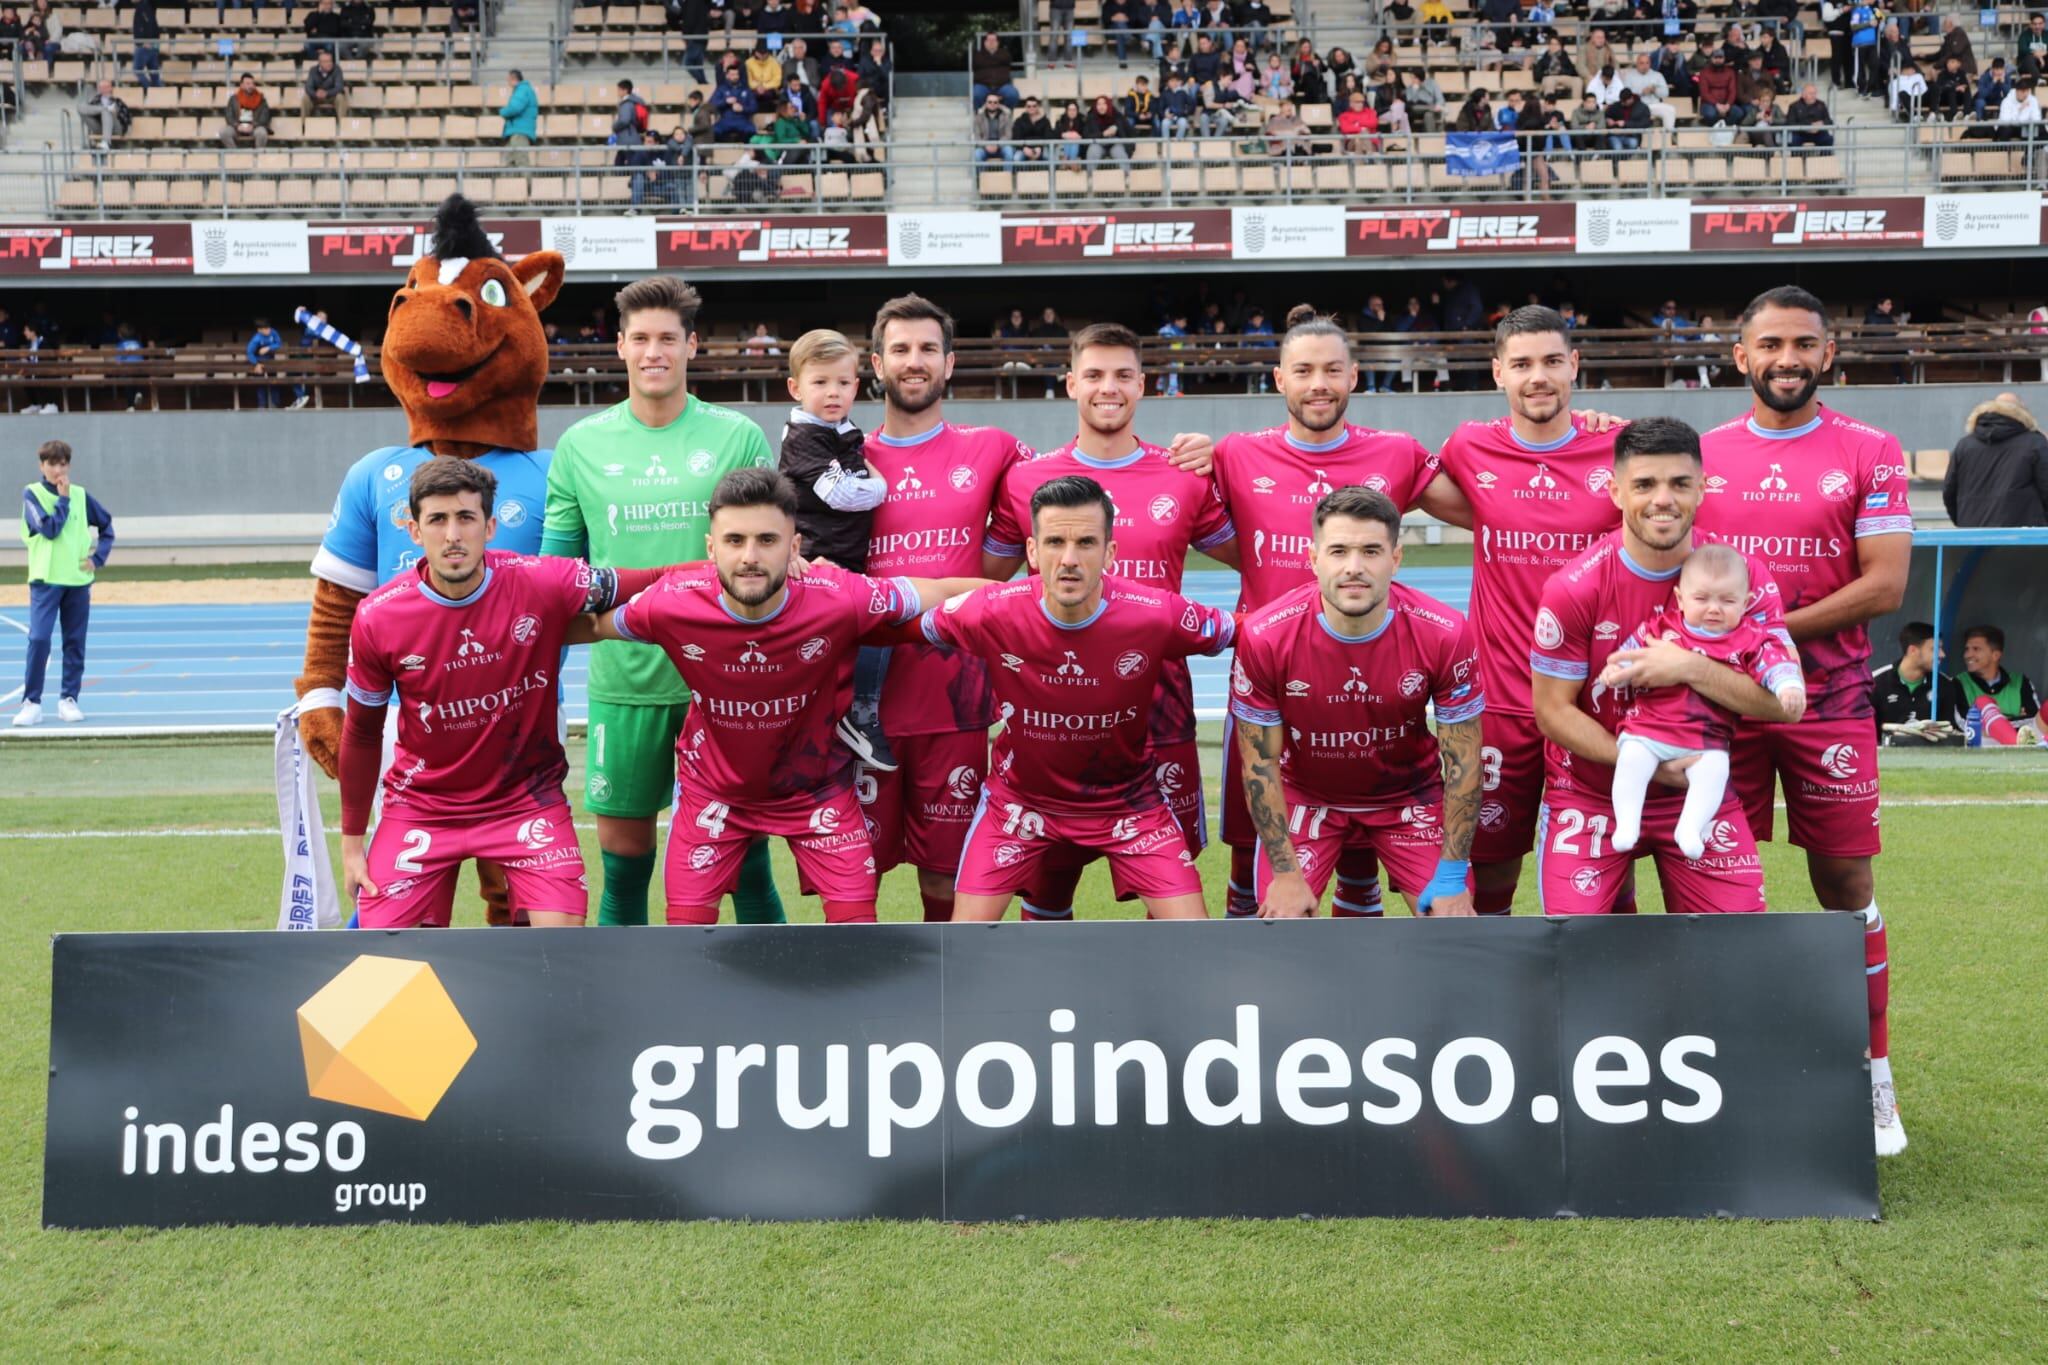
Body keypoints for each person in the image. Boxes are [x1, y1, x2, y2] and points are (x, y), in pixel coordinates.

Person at [1696, 285, 1913, 1157]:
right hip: (1725, 709)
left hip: (1830, 705)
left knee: (1845, 889)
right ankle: (1727, 1074)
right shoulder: (1702, 453)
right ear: (1740, 355)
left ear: (1830, 354)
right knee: (1717, 888)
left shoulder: (1871, 448)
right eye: (1771, 344)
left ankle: (1873, 1077)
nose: (1788, 358)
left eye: (1804, 344)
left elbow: (1886, 585)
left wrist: (1762, 627)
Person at [589, 468, 983, 924]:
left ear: (795, 547)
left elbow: (942, 593)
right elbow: (590, 625)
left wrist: (1034, 598)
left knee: (859, 935)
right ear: (710, 548)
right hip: (713, 794)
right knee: (686, 936)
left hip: (814, 791)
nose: (750, 557)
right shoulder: (669, 601)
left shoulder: (838, 595)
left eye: (767, 541)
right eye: (734, 541)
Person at [539, 277, 789, 929]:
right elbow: (559, 576)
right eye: (642, 338)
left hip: (727, 683)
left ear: (691, 346)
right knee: (624, 864)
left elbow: (771, 556)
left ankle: (789, 1005)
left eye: (668, 339)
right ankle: (621, 1014)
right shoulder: (581, 447)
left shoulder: (735, 436)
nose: (655, 351)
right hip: (623, 682)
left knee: (743, 862)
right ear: (620, 346)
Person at [1208, 316, 1461, 918]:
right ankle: (1250, 987)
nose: (1318, 384)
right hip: (1272, 686)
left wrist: (1585, 431)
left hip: (1373, 676)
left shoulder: (1396, 452)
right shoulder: (1234, 454)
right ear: (1278, 380)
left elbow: (1493, 505)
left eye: (1331, 370)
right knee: (1252, 861)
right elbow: (1184, 523)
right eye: (1303, 371)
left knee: (1363, 856)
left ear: (1353, 375)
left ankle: (1362, 983)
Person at [981, 323, 1234, 920]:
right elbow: (985, 584)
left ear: (1142, 385)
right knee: (1044, 894)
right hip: (1051, 715)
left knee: (1170, 893)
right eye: (1093, 375)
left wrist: (1223, 454)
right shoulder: (1024, 481)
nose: (1108, 388)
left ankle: (1161, 1012)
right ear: (1071, 384)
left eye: (1122, 375)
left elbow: (1262, 555)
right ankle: (1044, 1007)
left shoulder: (1184, 475)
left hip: (1159, 710)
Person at [338, 461, 643, 928]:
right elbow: (361, 733)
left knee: (560, 948)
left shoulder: (539, 581)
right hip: (424, 807)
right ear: (414, 531)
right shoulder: (378, 616)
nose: (453, 534)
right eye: (437, 520)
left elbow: (651, 579)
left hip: (524, 799)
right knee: (386, 960)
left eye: (466, 518)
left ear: (491, 527)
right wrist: (352, 842)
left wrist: (741, 570)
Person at [923, 475, 1236, 922]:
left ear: (1110, 553)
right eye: (1054, 542)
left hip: (1129, 802)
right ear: (1032, 552)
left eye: (1086, 543)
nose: (1069, 559)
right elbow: (895, 623)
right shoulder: (992, 609)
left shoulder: (1155, 613)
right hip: (1020, 803)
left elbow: (1252, 633)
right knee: (963, 944)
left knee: (1195, 936)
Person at [1531, 416, 1797, 911]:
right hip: (1591, 791)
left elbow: (1784, 705)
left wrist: (1688, 667)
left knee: (1734, 945)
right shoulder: (1573, 587)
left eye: (1679, 484)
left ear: (1702, 489)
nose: (1662, 499)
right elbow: (1552, 711)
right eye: (1644, 484)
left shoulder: (1743, 577)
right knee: (1573, 948)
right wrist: (1645, 760)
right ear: (1615, 492)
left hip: (1698, 787)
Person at [1232, 485, 1484, 918]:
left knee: (1450, 927)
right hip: (1307, 798)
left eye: (1370, 551)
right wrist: (1286, 874)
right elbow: (1259, 765)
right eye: (1338, 551)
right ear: (1313, 559)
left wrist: (1450, 873)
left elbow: (1463, 763)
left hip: (1408, 798)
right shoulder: (1264, 635)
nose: (1354, 568)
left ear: (1396, 558)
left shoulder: (1445, 631)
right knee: (1282, 928)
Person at [1605, 544, 1806, 859]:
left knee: (1716, 770)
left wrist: (1788, 687)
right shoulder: (1664, 629)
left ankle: (1690, 827)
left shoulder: (1751, 638)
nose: (1714, 609)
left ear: (1746, 603)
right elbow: (1633, 651)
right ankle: (1627, 824)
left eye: (1727, 601)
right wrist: (1616, 669)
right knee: (1631, 759)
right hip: (1649, 729)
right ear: (1680, 598)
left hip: (1706, 739)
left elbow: (1775, 665)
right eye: (1702, 599)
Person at [775, 328, 892, 767]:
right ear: (796, 387)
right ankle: (854, 716)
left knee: (865, 636)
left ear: (857, 387)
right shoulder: (805, 437)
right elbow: (841, 494)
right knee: (874, 626)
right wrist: (881, 485)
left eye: (842, 383)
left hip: (844, 557)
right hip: (816, 561)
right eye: (820, 382)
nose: (832, 393)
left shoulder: (841, 430)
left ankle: (844, 718)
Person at [14, 440, 112, 728]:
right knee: (40, 639)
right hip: (45, 581)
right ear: (42, 466)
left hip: (77, 582)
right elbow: (50, 529)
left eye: (63, 464)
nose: (58, 469)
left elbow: (107, 525)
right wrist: (63, 499)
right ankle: (31, 702)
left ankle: (69, 699)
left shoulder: (82, 495)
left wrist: (99, 558)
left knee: (74, 643)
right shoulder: (31, 494)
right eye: (52, 464)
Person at [1945, 392, 2048, 526]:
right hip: (2024, 537)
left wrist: (1965, 521)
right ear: (2022, 412)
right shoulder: (2035, 442)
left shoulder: (1964, 445)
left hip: (1973, 535)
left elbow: (1949, 492)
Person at [1869, 621, 1964, 735]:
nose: (1942, 654)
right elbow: (1864, 731)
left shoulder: (1945, 684)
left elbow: (1956, 729)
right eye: (1935, 649)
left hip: (1931, 752)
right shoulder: (1875, 682)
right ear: (1913, 650)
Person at [1958, 624, 2041, 722]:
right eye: (1967, 649)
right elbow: (1964, 725)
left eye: (1976, 649)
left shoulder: (2021, 682)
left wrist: (1988, 720)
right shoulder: (1958, 683)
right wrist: (2013, 718)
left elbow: (2035, 722)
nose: (1967, 655)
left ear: (1996, 655)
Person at [220, 71, 272, 149]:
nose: (251, 86)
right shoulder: (234, 99)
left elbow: (265, 116)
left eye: (252, 83)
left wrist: (253, 126)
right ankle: (235, 155)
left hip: (254, 127)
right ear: (241, 85)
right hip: (237, 126)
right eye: (248, 83)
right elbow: (229, 115)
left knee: (262, 132)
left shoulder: (261, 99)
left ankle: (258, 155)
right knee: (224, 133)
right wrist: (237, 126)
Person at [77, 78, 130, 152]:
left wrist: (116, 113)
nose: (104, 89)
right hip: (100, 127)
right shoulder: (95, 101)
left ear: (111, 88)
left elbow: (127, 119)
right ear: (99, 89)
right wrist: (104, 109)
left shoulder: (117, 101)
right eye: (101, 87)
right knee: (80, 107)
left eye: (106, 87)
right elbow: (89, 112)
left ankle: (106, 142)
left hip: (116, 128)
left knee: (106, 111)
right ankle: (105, 108)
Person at [500, 68, 538, 166]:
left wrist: (502, 111)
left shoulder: (522, 90)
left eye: (508, 80)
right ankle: (512, 181)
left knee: (521, 160)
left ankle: (526, 181)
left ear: (513, 78)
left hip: (520, 131)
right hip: (516, 131)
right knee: (510, 161)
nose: (507, 82)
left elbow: (514, 108)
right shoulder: (523, 90)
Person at [971, 32, 1020, 108]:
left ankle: (1003, 113)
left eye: (993, 40)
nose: (991, 42)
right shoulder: (978, 55)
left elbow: (1007, 59)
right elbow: (977, 62)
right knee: (976, 94)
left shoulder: (1004, 53)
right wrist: (994, 59)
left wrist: (989, 58)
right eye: (989, 40)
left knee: (1012, 94)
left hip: (1002, 85)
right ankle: (980, 115)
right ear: (984, 42)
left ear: (998, 42)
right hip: (983, 85)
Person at [303, 47, 347, 118]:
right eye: (326, 61)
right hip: (316, 97)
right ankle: (304, 125)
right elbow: (308, 87)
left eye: (330, 61)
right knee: (305, 98)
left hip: (332, 96)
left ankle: (343, 125)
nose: (329, 63)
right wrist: (315, 94)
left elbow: (339, 87)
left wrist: (327, 93)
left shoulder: (337, 69)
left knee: (340, 98)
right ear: (320, 63)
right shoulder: (313, 70)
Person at [972, 90, 1013, 164]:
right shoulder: (978, 118)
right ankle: (980, 175)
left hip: (1001, 146)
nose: (992, 104)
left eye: (995, 102)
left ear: (998, 104)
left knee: (1009, 152)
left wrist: (997, 145)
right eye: (990, 102)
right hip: (984, 147)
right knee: (977, 154)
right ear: (986, 103)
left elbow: (1008, 135)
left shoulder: (1006, 117)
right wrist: (986, 145)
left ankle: (1008, 175)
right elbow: (976, 136)